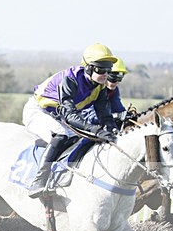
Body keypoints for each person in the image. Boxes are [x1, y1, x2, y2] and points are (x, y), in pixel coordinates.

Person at [22, 43, 119, 198]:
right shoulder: (70, 80)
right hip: (38, 110)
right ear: (88, 67)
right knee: (62, 135)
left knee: (80, 139)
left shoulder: (99, 87)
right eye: (101, 70)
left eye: (108, 70)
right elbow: (70, 116)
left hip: (57, 115)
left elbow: (104, 115)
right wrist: (95, 130)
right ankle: (38, 181)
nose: (105, 75)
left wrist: (113, 130)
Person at [80, 58, 129, 128]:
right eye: (113, 78)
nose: (116, 82)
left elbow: (118, 107)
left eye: (120, 79)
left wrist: (127, 115)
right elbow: (88, 115)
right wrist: (114, 116)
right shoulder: (93, 89)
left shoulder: (113, 91)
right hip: (82, 124)